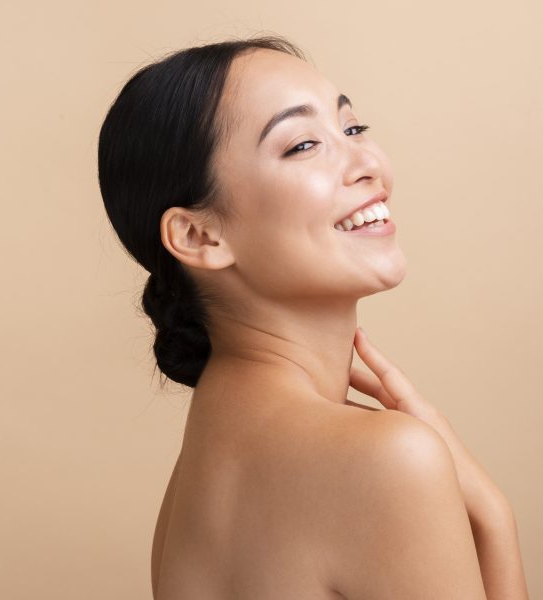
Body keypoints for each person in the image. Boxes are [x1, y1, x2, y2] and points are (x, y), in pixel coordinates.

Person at [96, 35, 528, 599]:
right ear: (199, 235)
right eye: (303, 145)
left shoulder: (197, 475)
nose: (368, 164)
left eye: (352, 128)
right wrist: (494, 518)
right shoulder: (387, 459)